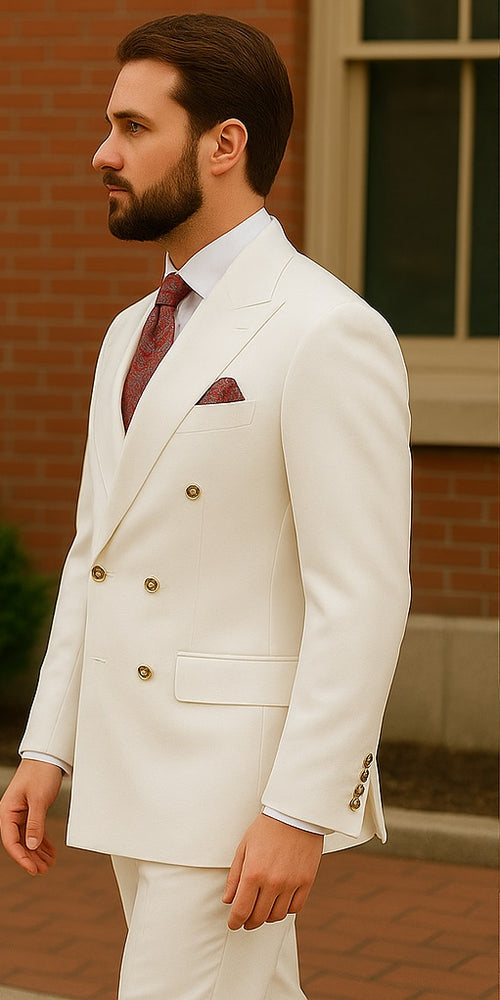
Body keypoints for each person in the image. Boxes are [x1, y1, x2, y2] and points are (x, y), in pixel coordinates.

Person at [0, 13, 411, 1000]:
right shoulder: (125, 334)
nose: (104, 153)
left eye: (134, 128)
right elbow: (95, 549)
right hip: (132, 776)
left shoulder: (326, 332)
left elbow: (360, 596)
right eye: (109, 125)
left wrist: (301, 809)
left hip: (237, 796)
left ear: (225, 144)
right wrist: (48, 744)